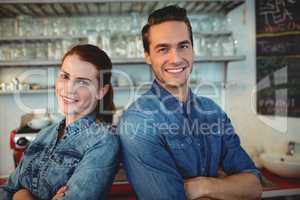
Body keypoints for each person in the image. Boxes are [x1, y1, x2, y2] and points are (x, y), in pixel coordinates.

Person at [118, 5, 262, 200]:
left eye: (183, 46)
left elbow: (253, 186)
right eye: (163, 49)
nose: (176, 58)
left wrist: (203, 185)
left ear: (193, 50)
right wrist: (226, 186)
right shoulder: (138, 122)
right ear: (148, 57)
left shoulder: (213, 111)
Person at [0, 44, 119, 200]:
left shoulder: (103, 141)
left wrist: (21, 195)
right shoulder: (45, 134)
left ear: (101, 91)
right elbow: (7, 190)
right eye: (65, 76)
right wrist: (17, 194)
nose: (69, 89)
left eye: (82, 82)